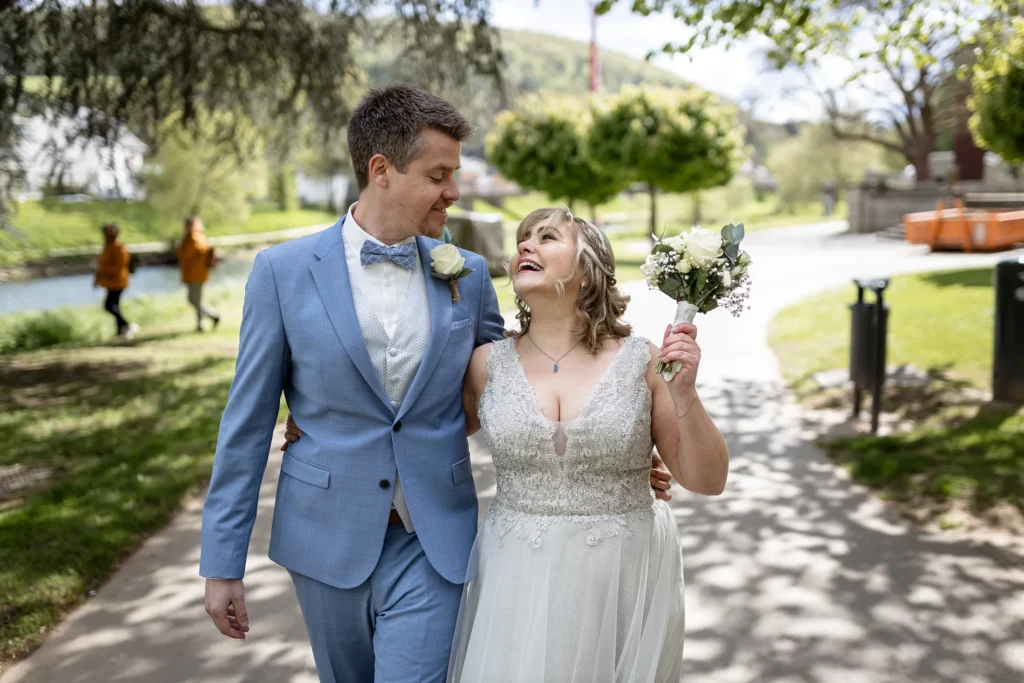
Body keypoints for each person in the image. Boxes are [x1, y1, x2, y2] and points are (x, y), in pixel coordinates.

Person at [285, 207, 730, 681]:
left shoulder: (643, 361)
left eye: (548, 237)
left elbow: (708, 480)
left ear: (588, 270)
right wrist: (321, 423)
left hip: (622, 570)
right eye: (523, 238)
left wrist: (685, 396)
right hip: (516, 577)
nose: (525, 245)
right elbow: (408, 429)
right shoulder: (484, 365)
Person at [93, 222, 139, 340]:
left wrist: (104, 273)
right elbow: (101, 265)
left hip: (118, 281)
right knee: (114, 305)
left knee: (109, 305)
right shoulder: (108, 247)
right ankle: (120, 330)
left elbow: (119, 266)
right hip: (110, 282)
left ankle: (127, 325)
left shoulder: (119, 247)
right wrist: (98, 278)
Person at [177, 216, 221, 332]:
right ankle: (208, 319)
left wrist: (180, 248)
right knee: (195, 300)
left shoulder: (193, 237)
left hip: (196, 274)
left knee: (195, 300)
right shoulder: (197, 237)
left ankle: (206, 320)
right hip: (195, 274)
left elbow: (190, 254)